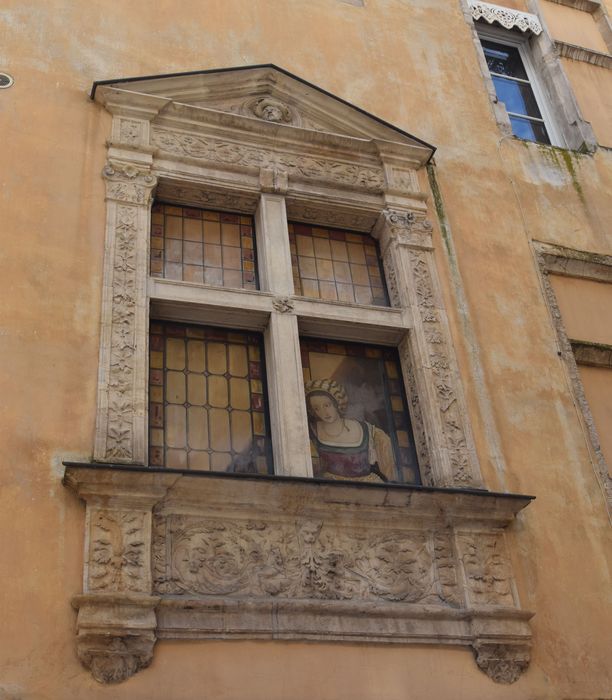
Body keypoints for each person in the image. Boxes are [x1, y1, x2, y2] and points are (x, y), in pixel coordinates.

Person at [304, 378, 396, 482]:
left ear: (337, 403)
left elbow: (389, 472)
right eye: (317, 408)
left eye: (327, 405)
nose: (324, 412)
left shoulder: (368, 431)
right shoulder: (312, 433)